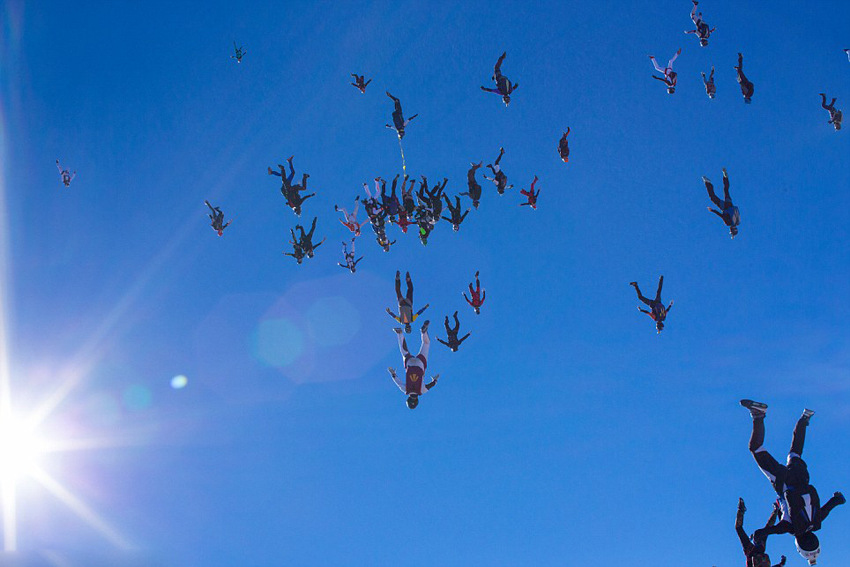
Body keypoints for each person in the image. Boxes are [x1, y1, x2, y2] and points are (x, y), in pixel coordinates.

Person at [740, 400, 846, 565]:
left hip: (801, 477)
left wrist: (839, 499)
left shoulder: (817, 521)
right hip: (782, 481)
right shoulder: (791, 528)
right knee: (756, 448)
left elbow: (833, 504)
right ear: (798, 546)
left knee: (795, 452)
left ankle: (804, 419)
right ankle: (758, 415)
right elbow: (775, 530)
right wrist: (761, 532)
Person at [388, 320, 439, 409]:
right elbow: (398, 383)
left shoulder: (422, 391)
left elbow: (431, 385)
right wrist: (393, 374)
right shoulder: (405, 390)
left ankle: (424, 332)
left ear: (416, 400)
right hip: (410, 364)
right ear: (408, 399)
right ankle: (399, 333)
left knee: (426, 344)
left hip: (420, 365)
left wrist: (435, 380)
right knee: (404, 352)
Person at [736, 498, 786, 567]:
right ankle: (776, 510)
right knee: (763, 532)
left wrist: (781, 563)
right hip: (755, 552)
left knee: (763, 531)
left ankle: (741, 509)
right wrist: (781, 564)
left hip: (752, 552)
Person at [703, 168, 740, 238]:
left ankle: (725, 176)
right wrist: (712, 210)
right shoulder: (728, 223)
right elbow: (721, 216)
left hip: (730, 204)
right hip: (724, 207)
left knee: (726, 190)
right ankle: (707, 182)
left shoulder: (737, 222)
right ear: (732, 230)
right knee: (712, 197)